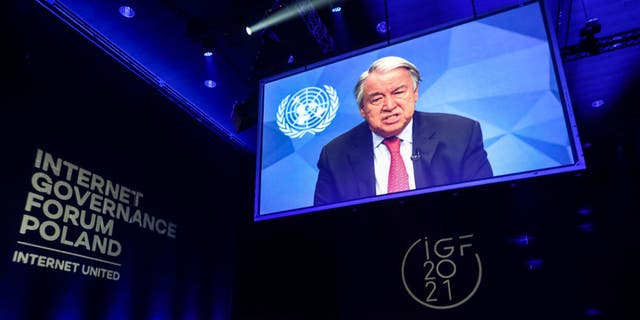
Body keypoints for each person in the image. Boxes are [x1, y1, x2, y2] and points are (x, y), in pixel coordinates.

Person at [313, 56, 493, 205]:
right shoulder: (334, 155)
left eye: (398, 92)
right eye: (376, 99)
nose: (389, 106)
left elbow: (485, 203)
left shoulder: (460, 133)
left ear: (415, 93)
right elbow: (326, 224)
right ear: (362, 108)